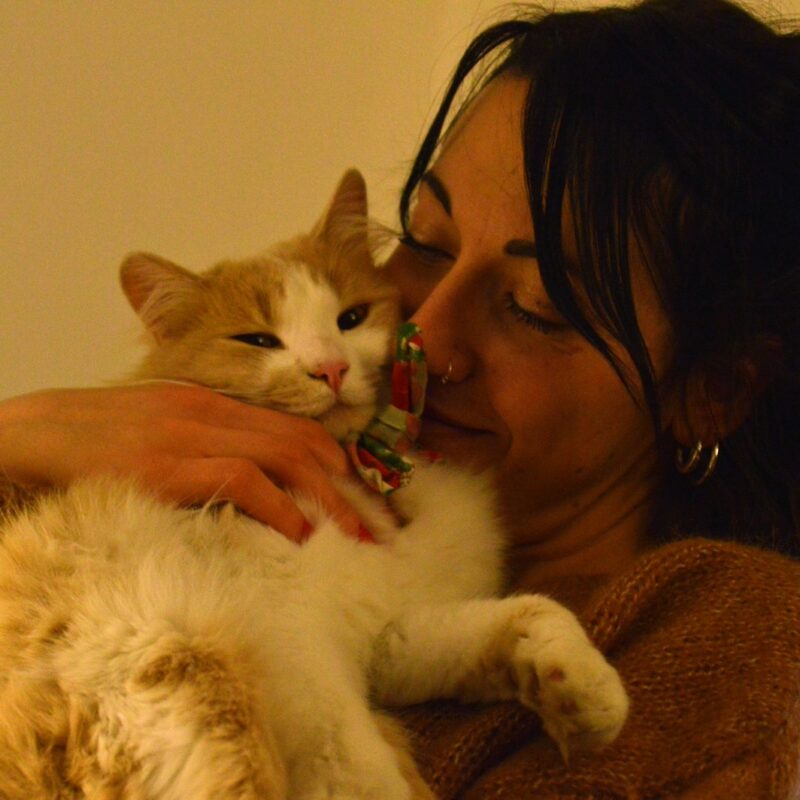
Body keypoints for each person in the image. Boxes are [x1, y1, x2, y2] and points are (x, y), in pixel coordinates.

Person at [1, 0, 799, 795]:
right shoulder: (259, 492)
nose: (429, 337)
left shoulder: (724, 632)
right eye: (423, 243)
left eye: (534, 304)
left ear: (714, 392)